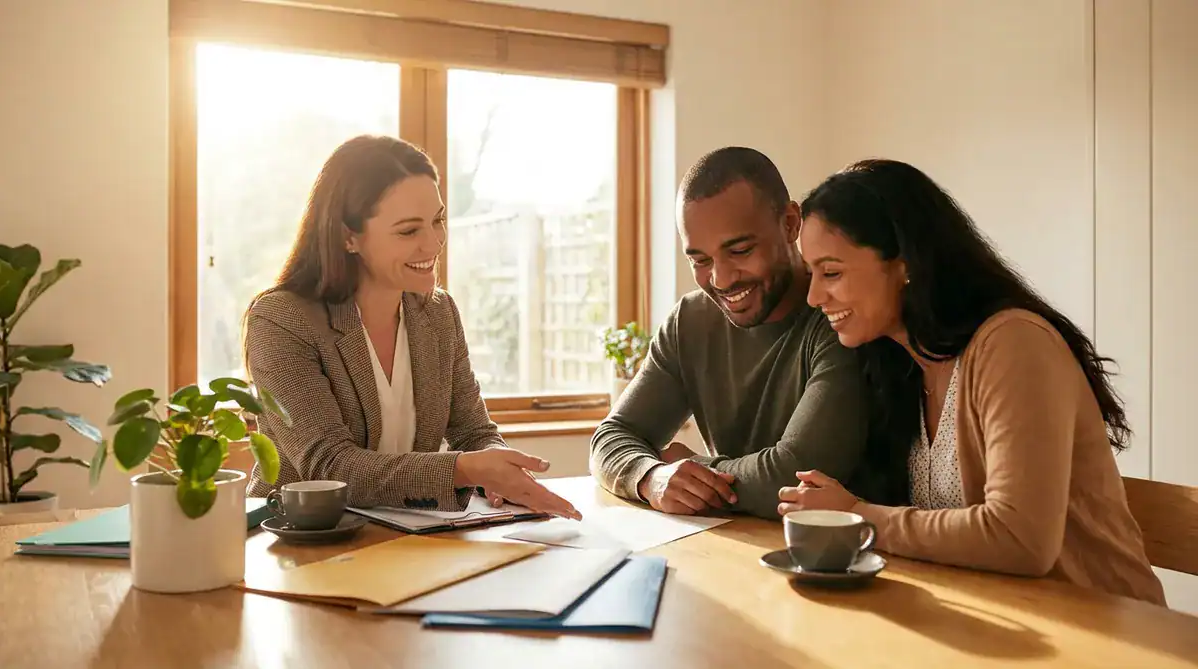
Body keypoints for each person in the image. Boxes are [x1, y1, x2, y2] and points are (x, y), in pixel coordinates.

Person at [778, 158, 1165, 604]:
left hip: (1114, 634)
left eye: (831, 273)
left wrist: (859, 518)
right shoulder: (898, 366)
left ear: (904, 264)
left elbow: (1021, 539)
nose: (813, 296)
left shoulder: (1013, 343)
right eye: (811, 275)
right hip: (1007, 627)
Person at [242, 134, 580, 520]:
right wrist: (464, 469)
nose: (434, 243)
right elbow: (329, 466)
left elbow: (472, 431)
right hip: (302, 544)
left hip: (410, 537)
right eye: (409, 231)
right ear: (348, 236)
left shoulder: (438, 313)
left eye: (437, 221)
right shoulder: (281, 321)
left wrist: (498, 474)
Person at [589, 146, 878, 520]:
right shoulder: (690, 321)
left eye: (740, 250)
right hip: (735, 549)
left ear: (791, 223)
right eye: (700, 260)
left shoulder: (839, 317)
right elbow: (612, 437)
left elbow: (795, 474)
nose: (721, 279)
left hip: (840, 557)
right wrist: (653, 476)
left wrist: (696, 467)